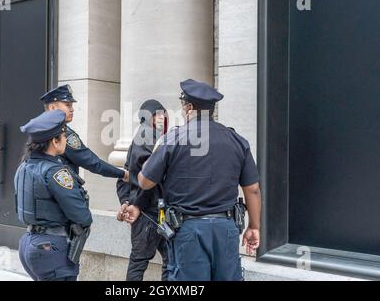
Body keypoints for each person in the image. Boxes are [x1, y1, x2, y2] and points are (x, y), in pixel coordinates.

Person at [124, 79, 262, 281]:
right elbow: (253, 190)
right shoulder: (236, 140)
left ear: (189, 107)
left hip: (189, 231)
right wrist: (254, 226)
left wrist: (155, 154)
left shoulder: (172, 139)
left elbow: (145, 182)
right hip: (226, 229)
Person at [15, 110, 92, 281]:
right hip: (51, 248)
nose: (66, 140)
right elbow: (82, 216)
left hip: (29, 243)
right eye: (64, 136)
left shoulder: (24, 166)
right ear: (55, 141)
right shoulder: (56, 173)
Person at [116, 100, 169, 281]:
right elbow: (150, 179)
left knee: (145, 262)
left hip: (153, 213)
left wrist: (126, 202)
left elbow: (123, 178)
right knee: (147, 263)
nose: (162, 118)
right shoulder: (148, 136)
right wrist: (136, 204)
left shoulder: (146, 138)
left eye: (163, 114)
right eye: (157, 114)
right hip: (149, 214)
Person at [40, 84, 129, 182]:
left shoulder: (39, 130)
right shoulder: (64, 134)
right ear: (53, 108)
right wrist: (123, 174)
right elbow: (93, 163)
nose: (72, 109)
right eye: (67, 105)